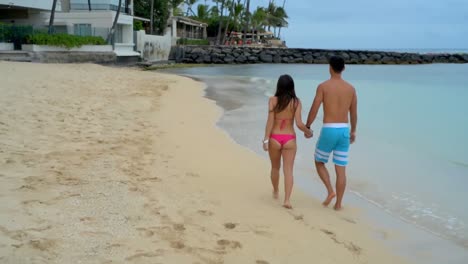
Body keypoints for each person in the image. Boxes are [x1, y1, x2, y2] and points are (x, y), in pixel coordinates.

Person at [305, 56, 358, 210]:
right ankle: (338, 205)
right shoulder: (351, 89)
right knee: (341, 169)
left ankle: (330, 191)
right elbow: (354, 114)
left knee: (319, 161)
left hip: (329, 129)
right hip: (344, 130)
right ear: (344, 68)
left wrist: (308, 126)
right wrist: (353, 131)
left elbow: (314, 108)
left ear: (330, 68)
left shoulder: (323, 87)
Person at [263, 75, 313, 209]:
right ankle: (287, 200)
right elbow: (299, 123)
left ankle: (275, 191)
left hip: (275, 138)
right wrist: (308, 132)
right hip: (290, 139)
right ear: (292, 87)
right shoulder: (296, 102)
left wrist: (266, 139)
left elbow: (270, 121)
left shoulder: (273, 100)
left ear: (278, 86)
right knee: (288, 170)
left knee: (275, 168)